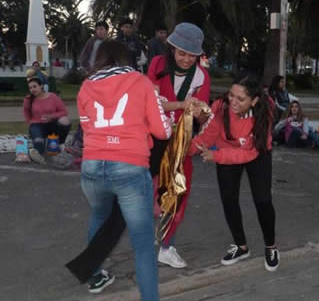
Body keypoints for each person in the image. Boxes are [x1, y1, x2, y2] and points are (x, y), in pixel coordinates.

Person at [76, 39, 172, 299]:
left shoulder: (87, 86)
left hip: (92, 166)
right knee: (142, 243)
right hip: (129, 167)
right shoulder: (141, 82)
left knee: (99, 215)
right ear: (126, 58)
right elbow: (162, 130)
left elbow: (87, 128)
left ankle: (95, 274)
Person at [187, 72, 280, 272]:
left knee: (262, 199)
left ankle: (270, 246)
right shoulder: (221, 107)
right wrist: (183, 150)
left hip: (257, 153)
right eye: (231, 95)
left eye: (240, 99)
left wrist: (217, 156)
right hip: (226, 148)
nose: (233, 102)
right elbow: (208, 135)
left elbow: (248, 154)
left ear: (254, 100)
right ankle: (241, 246)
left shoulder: (265, 113)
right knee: (229, 199)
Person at [147, 22, 211, 269]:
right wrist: (182, 105)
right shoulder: (156, 65)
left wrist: (203, 113)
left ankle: (166, 247)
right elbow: (151, 102)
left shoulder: (201, 76)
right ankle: (144, 242)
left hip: (180, 141)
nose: (186, 59)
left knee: (177, 194)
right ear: (172, 49)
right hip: (152, 137)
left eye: (191, 54)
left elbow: (201, 114)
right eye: (181, 53)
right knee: (141, 191)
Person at [23, 77, 71, 164]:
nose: (32, 89)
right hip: (37, 125)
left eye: (34, 86)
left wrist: (51, 116)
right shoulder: (28, 99)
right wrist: (30, 123)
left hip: (52, 124)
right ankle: (36, 152)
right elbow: (26, 112)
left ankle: (60, 143)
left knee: (65, 120)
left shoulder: (53, 97)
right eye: (30, 88)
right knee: (38, 143)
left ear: (41, 86)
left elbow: (64, 112)